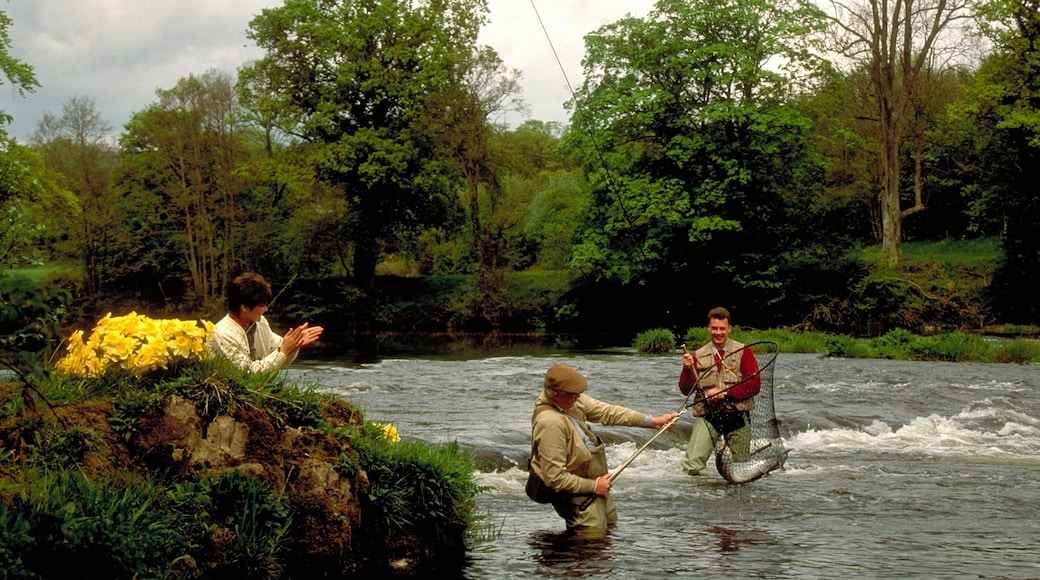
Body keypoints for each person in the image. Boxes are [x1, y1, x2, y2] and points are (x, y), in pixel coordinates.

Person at [529, 363, 676, 536]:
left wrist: (652, 421)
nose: (579, 397)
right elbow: (555, 478)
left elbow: (608, 412)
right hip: (575, 492)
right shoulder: (549, 423)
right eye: (574, 395)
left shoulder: (572, 400)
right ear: (556, 395)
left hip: (594, 483)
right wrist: (593, 486)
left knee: (609, 526)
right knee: (591, 537)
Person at [678, 307, 760, 476]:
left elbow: (754, 384)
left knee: (740, 470)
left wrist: (726, 394)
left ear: (729, 329)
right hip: (708, 416)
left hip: (737, 415)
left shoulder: (744, 351)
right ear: (708, 328)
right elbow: (685, 390)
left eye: (722, 328)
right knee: (691, 467)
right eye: (714, 328)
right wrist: (687, 369)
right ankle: (695, 492)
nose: (718, 332)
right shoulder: (697, 355)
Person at [209, 272, 324, 372]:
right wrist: (283, 352)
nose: (266, 309)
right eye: (262, 305)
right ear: (244, 307)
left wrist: (295, 344)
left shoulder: (260, 322)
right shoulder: (222, 334)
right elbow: (247, 374)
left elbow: (278, 351)